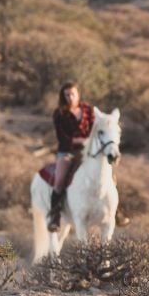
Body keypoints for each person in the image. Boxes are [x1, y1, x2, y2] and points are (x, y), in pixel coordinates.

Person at [47, 81, 94, 231]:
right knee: (59, 181)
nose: (70, 97)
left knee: (108, 174)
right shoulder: (59, 113)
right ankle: (54, 216)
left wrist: (90, 141)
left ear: (78, 94)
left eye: (73, 93)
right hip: (67, 150)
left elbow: (95, 128)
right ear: (63, 96)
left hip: (88, 150)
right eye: (67, 95)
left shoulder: (88, 109)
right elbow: (62, 137)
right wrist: (79, 140)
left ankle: (116, 211)